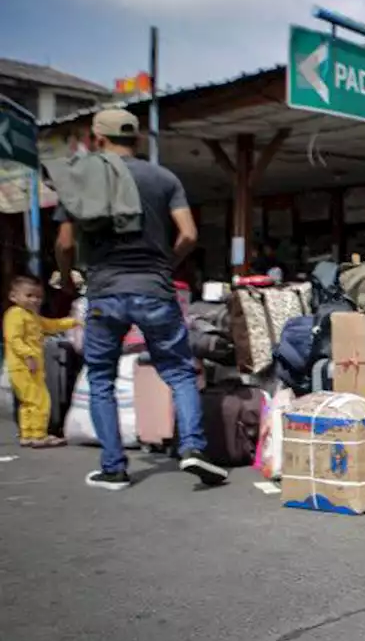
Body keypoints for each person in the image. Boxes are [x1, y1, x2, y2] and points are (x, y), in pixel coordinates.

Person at [52, 108, 222, 491]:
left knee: (101, 378)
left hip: (103, 292)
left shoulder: (82, 177)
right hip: (155, 290)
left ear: (97, 139)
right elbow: (190, 234)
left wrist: (65, 279)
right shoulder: (163, 177)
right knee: (179, 372)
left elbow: (64, 242)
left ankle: (113, 468)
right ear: (137, 139)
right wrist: (164, 264)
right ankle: (193, 448)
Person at [4, 274, 78, 448]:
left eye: (38, 297)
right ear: (13, 297)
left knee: (29, 402)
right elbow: (14, 339)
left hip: (30, 366)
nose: (35, 300)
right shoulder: (15, 314)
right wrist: (28, 356)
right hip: (23, 366)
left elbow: (50, 325)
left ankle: (28, 434)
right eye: (29, 296)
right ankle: (38, 435)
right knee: (40, 400)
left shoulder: (31, 316)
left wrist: (73, 322)